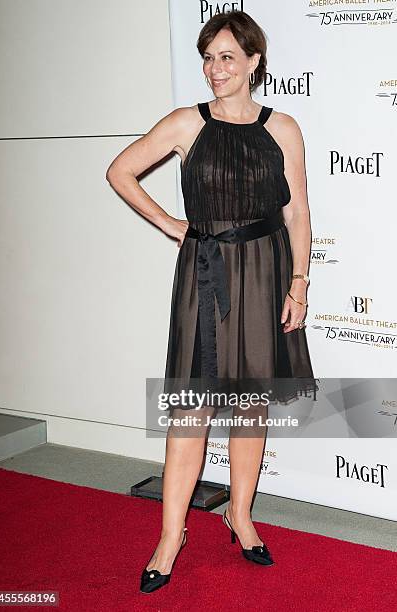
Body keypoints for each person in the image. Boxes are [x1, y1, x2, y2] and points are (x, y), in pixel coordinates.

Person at [106, 10, 316, 595]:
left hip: (267, 273)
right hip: (204, 277)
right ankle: (170, 537)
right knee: (192, 412)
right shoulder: (184, 124)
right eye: (207, 57)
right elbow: (120, 170)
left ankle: (240, 515)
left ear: (253, 62)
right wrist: (172, 224)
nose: (214, 69)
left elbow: (297, 211)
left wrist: (298, 282)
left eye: (226, 57)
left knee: (250, 408)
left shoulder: (284, 129)